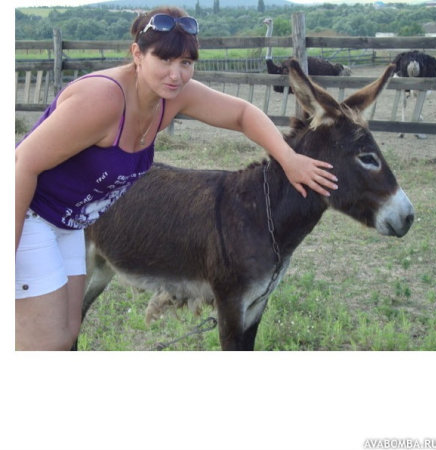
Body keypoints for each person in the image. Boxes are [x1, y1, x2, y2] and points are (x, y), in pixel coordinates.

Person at [15, 6, 338, 351]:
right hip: (31, 215)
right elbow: (20, 164)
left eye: (186, 62)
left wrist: (288, 158)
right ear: (137, 54)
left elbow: (243, 114)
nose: (176, 74)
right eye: (164, 59)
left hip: (70, 223)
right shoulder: (103, 99)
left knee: (66, 334)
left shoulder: (172, 95)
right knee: (44, 341)